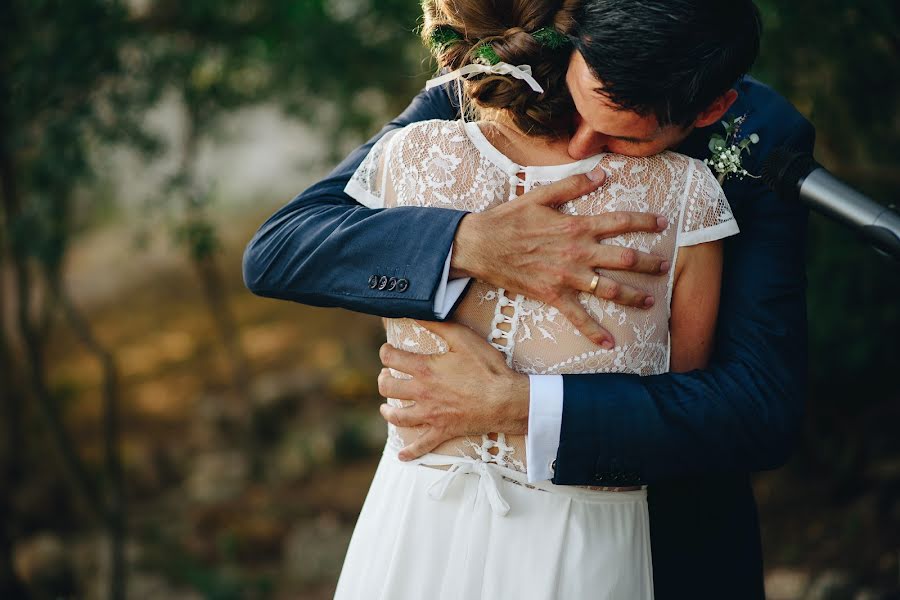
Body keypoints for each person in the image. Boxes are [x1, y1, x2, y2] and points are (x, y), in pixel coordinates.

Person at [243, 0, 815, 597]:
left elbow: (758, 410)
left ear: (711, 109)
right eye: (580, 104)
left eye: (625, 135)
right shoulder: (504, 74)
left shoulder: (759, 139)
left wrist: (520, 405)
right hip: (431, 522)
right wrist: (469, 242)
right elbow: (285, 246)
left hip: (646, 543)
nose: (579, 146)